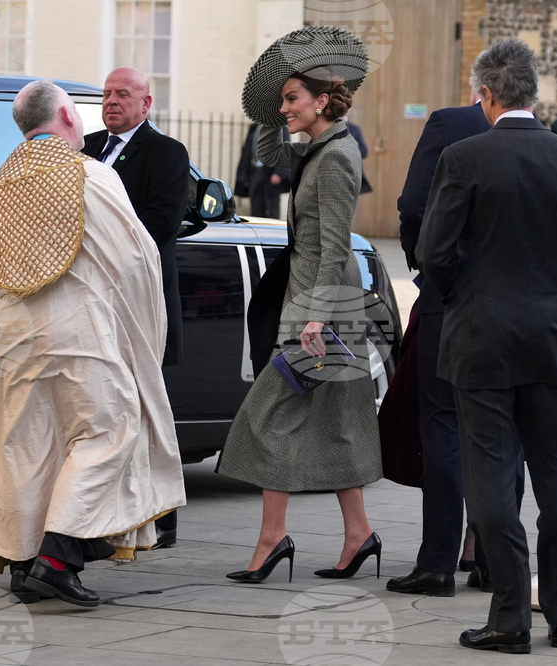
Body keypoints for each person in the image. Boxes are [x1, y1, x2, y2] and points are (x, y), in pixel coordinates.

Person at [0, 80, 186, 607]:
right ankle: (58, 557)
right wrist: (139, 336)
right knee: (112, 431)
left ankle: (22, 565)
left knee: (28, 448)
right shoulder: (93, 175)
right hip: (79, 337)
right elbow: (137, 260)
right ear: (65, 114)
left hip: (6, 343)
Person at [417, 39, 557, 653]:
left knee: (492, 481)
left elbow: (432, 254)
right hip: (553, 338)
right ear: (531, 92)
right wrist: (555, 295)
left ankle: (509, 618)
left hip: (481, 341)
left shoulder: (462, 157)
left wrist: (470, 296)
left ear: (489, 95)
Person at [216, 26, 383, 583]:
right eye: (283, 99)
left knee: (267, 418)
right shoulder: (321, 148)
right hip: (316, 306)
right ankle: (357, 535)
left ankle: (272, 538)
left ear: (322, 99)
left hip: (320, 312)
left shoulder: (336, 155)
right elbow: (268, 148)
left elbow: (336, 241)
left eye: (292, 98)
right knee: (336, 423)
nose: (284, 108)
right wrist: (280, 110)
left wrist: (314, 317)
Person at [386, 89, 526, 599]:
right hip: (515, 310)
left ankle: (438, 563)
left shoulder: (448, 123)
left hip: (451, 303)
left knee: (442, 426)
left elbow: (412, 204)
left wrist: (427, 266)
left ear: (481, 92)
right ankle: (491, 560)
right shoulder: (546, 139)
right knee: (505, 433)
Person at [82, 66, 191, 548]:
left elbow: (160, 224)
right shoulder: (82, 148)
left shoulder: (167, 154)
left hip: (140, 296)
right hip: (89, 298)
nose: (111, 101)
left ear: (146, 105)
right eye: (106, 94)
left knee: (148, 408)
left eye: (122, 94)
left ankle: (161, 518)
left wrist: (96, 246)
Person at [235, 123, 290, 218]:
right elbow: (246, 152)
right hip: (254, 172)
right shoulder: (253, 128)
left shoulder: (280, 127)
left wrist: (279, 173)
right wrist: (243, 174)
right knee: (256, 207)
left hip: (271, 174)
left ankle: (272, 232)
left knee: (271, 209)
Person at [345, 112, 373, 194]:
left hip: (351, 173)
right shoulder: (328, 127)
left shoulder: (354, 129)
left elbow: (364, 152)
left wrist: (354, 147)